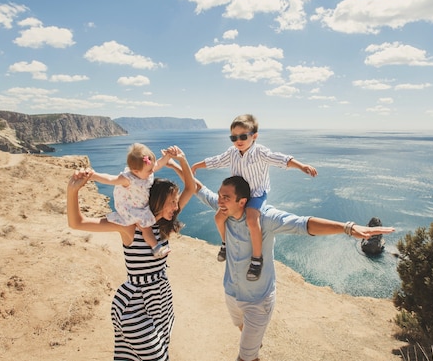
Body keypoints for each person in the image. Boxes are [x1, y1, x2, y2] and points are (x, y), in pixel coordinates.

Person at [169, 159, 395, 361]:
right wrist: (176, 165)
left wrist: (347, 227)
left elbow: (304, 224)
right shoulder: (224, 210)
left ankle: (251, 350)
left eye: (225, 197)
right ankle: (253, 346)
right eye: (219, 195)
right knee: (241, 327)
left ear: (242, 201)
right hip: (231, 293)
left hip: (258, 301)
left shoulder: (265, 218)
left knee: (245, 356)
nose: (219, 200)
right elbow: (197, 188)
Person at [66, 146, 195, 361]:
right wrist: (73, 191)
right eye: (172, 201)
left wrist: (182, 160)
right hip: (135, 304)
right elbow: (76, 223)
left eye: (176, 201)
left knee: (155, 352)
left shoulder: (162, 223)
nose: (176, 206)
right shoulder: (130, 226)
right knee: (154, 356)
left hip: (161, 301)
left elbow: (191, 187)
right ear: (158, 201)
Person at [191, 114, 317, 281]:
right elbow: (217, 161)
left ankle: (256, 258)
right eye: (233, 137)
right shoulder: (232, 153)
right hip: (239, 196)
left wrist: (301, 166)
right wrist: (196, 166)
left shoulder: (260, 152)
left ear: (254, 136)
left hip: (256, 194)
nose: (238, 140)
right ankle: (225, 243)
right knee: (218, 217)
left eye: (243, 136)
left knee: (251, 220)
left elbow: (280, 158)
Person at [88, 143, 174, 258]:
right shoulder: (128, 179)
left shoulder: (146, 171)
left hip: (140, 206)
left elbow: (158, 164)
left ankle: (155, 246)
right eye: (149, 170)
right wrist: (94, 175)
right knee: (146, 228)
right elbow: (110, 179)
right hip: (132, 209)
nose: (153, 171)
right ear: (136, 171)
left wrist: (167, 157)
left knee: (147, 224)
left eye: (152, 168)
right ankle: (156, 248)